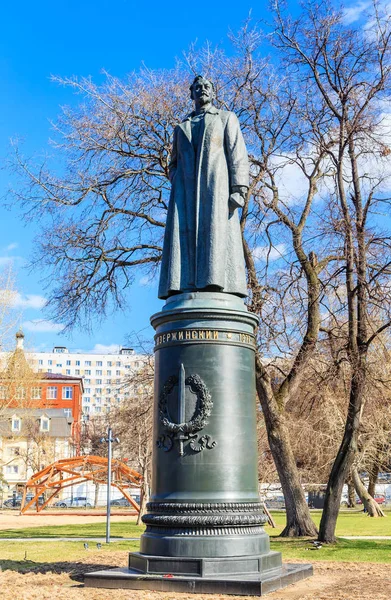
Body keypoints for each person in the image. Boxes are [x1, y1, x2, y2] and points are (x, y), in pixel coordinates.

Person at [158, 75, 249, 300]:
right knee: (183, 240)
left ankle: (214, 282)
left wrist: (239, 189)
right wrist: (178, 178)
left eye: (207, 86)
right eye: (197, 87)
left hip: (215, 189)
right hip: (184, 194)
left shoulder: (226, 118)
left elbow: (237, 154)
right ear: (191, 93)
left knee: (215, 236)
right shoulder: (182, 127)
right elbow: (173, 162)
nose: (202, 90)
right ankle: (184, 285)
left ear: (213, 91)